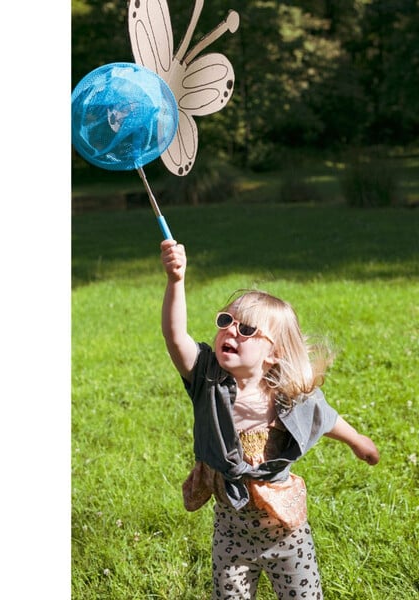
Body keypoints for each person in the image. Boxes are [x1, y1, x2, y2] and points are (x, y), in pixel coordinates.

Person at [160, 238, 379, 600]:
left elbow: (325, 419)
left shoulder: (289, 395)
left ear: (274, 354)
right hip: (231, 533)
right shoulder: (207, 380)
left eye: (247, 329)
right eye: (226, 321)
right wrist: (176, 279)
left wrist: (358, 442)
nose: (231, 331)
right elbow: (174, 335)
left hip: (286, 532)